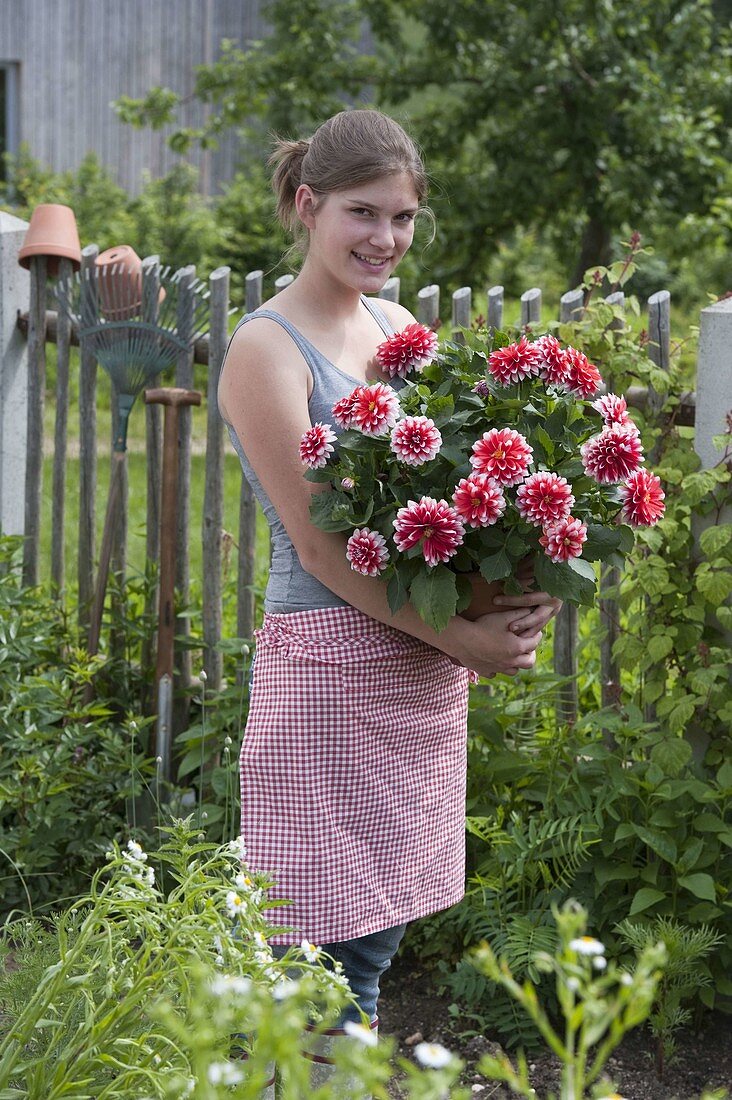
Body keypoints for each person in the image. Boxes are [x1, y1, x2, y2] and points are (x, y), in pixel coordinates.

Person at [218, 108, 560, 1080]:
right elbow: (325, 549)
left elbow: (453, 501)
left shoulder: (400, 329)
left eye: (403, 216)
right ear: (305, 203)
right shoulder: (267, 349)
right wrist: (465, 638)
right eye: (363, 212)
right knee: (327, 956)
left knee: (374, 935)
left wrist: (521, 579)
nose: (385, 237)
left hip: (416, 675)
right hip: (330, 674)